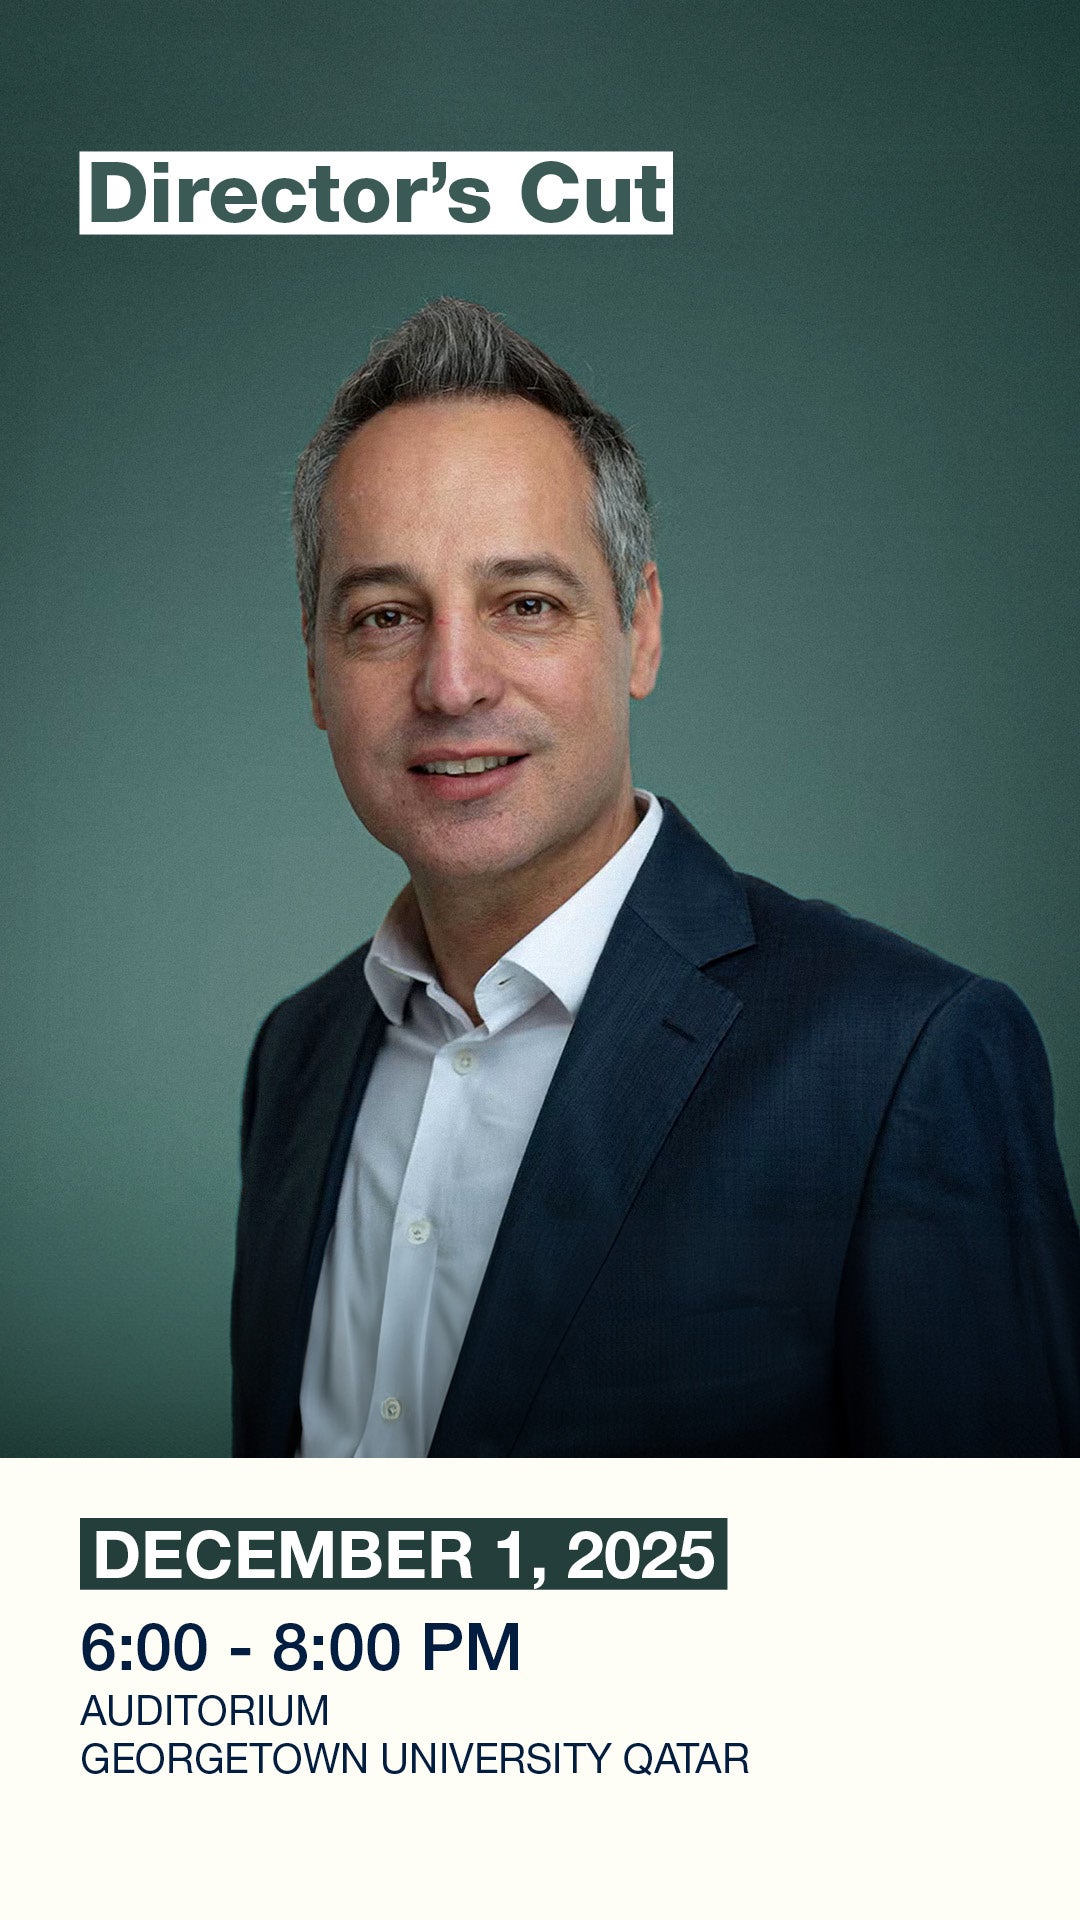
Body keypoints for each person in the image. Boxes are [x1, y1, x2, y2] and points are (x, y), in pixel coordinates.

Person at [232, 297, 1080, 1458]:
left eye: (526, 604)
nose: (451, 682)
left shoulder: (904, 1061)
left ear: (639, 632)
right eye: (384, 616)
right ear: (319, 675)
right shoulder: (298, 1057)